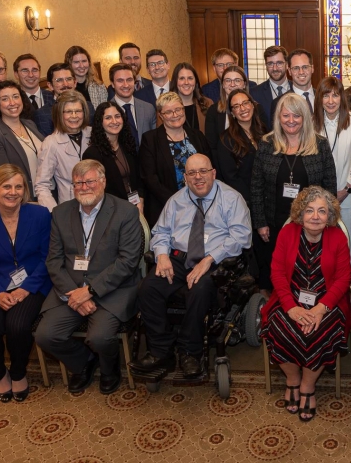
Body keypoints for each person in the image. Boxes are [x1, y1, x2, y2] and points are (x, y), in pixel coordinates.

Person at [134, 154, 251, 378]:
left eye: (203, 171)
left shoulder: (232, 199)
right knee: (148, 288)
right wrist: (162, 255)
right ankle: (161, 351)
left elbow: (241, 237)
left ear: (213, 173)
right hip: (178, 258)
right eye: (192, 173)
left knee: (199, 289)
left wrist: (210, 259)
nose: (198, 177)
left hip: (215, 259)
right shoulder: (176, 200)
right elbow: (161, 232)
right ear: (185, 177)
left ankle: (190, 351)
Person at [35, 159, 144, 395]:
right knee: (45, 336)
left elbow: (127, 261)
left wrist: (90, 291)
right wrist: (76, 292)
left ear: (103, 182)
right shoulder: (61, 213)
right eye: (78, 183)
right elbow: (53, 260)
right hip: (71, 289)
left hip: (112, 289)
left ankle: (109, 368)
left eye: (90, 181)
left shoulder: (125, 212)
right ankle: (83, 362)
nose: (84, 187)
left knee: (100, 337)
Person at [260, 186, 351, 421]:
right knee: (278, 325)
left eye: (322, 211)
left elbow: (343, 278)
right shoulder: (288, 233)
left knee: (317, 331)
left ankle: (307, 386)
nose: (315, 216)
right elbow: (277, 273)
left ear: (330, 216)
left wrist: (321, 308)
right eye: (309, 210)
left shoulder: (337, 236)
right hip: (289, 298)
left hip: (328, 301)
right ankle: (293, 379)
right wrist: (291, 307)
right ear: (300, 214)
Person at [0, 165, 51, 402]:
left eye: (18, 186)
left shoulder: (40, 215)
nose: (13, 192)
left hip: (32, 284)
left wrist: (25, 289)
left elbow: (48, 258)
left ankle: (18, 373)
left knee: (17, 326)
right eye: (6, 186)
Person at [251, 93, 336, 295]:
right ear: (278, 118)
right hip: (274, 221)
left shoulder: (320, 145)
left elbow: (330, 186)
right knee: (277, 272)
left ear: (305, 118)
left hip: (310, 223)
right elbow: (256, 186)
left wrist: (326, 220)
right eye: (286, 115)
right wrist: (260, 222)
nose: (291, 121)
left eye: (296, 116)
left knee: (306, 270)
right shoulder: (266, 144)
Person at [139, 91, 211, 226]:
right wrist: (179, 202)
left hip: (202, 206)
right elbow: (150, 179)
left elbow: (210, 168)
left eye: (178, 109)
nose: (175, 115)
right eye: (169, 112)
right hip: (167, 209)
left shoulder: (197, 135)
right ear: (161, 115)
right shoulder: (150, 140)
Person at [314, 77, 351, 250]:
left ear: (341, 98)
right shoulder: (312, 124)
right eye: (326, 95)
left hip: (346, 195)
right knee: (321, 245)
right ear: (319, 98)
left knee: (347, 243)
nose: (330, 101)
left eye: (335, 96)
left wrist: (347, 189)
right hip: (318, 196)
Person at [0, 81, 45, 200]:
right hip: (26, 198)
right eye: (5, 99)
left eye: (16, 97)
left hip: (48, 191)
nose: (12, 103)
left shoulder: (30, 124)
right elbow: (6, 177)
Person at [82, 102, 144, 214]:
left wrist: (141, 201)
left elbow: (139, 178)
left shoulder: (128, 145)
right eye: (108, 118)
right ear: (100, 122)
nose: (114, 121)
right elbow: (96, 191)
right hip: (111, 212)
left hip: (135, 206)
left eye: (117, 116)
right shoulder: (92, 154)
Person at [35, 90, 91, 211]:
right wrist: (55, 213)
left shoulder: (93, 134)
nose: (74, 116)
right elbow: (42, 185)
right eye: (69, 112)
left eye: (78, 111)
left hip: (98, 203)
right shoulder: (51, 143)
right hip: (70, 207)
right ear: (60, 114)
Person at [214, 88, 266, 205]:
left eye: (245, 103)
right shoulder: (225, 139)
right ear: (232, 113)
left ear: (252, 105)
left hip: (267, 197)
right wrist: (253, 198)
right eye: (236, 106)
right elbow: (231, 177)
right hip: (244, 201)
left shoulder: (263, 132)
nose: (242, 109)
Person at [109, 63, 156, 146]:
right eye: (120, 80)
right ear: (112, 84)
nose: (126, 85)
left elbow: (155, 140)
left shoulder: (148, 108)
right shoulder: (105, 112)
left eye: (129, 80)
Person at [204, 64, 248, 152]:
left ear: (244, 84)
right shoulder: (213, 111)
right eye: (228, 80)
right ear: (223, 85)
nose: (232, 84)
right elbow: (211, 146)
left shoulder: (256, 108)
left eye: (237, 80)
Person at [34, 63, 79, 137]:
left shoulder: (88, 106)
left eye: (69, 79)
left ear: (75, 82)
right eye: (59, 80)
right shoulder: (43, 114)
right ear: (50, 85)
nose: (65, 84)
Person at [170, 62, 213, 134]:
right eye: (182, 78)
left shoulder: (208, 103)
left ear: (195, 81)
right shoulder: (166, 107)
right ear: (175, 81)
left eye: (190, 78)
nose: (186, 82)